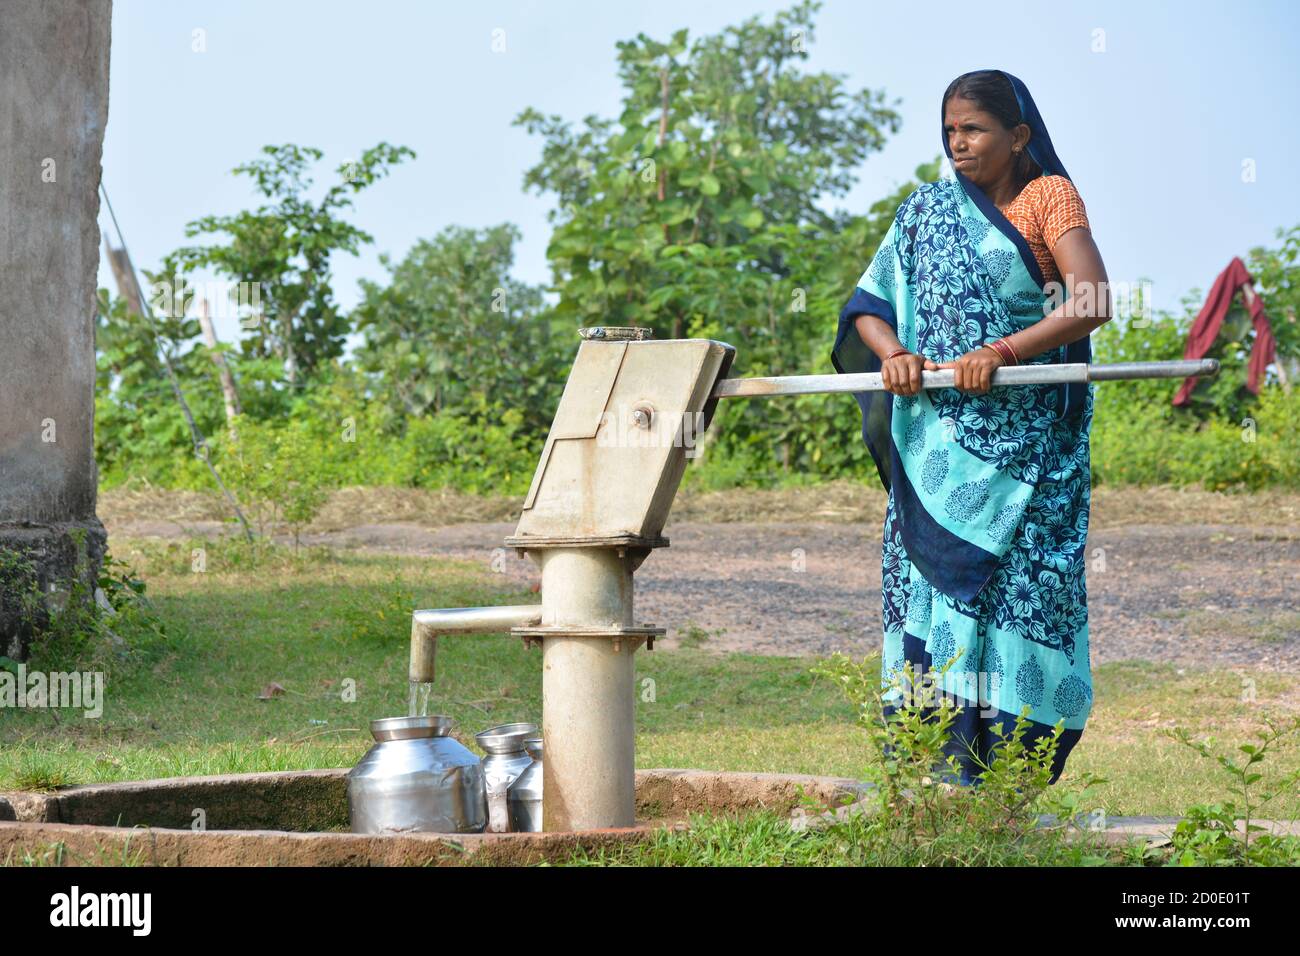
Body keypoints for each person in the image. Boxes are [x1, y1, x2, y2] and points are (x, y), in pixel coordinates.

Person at [830, 69, 1112, 786]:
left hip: (1034, 459)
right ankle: (932, 771)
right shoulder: (926, 212)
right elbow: (869, 303)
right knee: (932, 598)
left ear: (1018, 136)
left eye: (975, 130)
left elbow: (1090, 299)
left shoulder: (1049, 197)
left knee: (1026, 600)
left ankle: (1012, 779)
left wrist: (1002, 351)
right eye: (950, 130)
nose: (959, 144)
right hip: (938, 460)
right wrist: (893, 355)